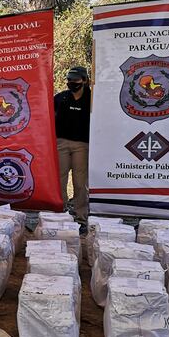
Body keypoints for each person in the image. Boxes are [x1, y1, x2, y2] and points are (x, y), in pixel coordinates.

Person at [55, 66, 92, 229]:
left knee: (80, 181)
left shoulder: (92, 99)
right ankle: (60, 211)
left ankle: (81, 217)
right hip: (61, 143)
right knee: (60, 178)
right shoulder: (61, 97)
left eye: (75, 80)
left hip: (82, 145)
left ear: (84, 81)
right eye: (69, 80)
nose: (72, 83)